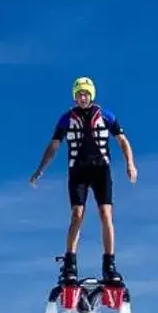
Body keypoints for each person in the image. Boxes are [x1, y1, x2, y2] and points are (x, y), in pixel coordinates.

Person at [29, 75, 138, 285]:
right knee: (77, 214)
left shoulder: (106, 115)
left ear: (92, 94)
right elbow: (53, 146)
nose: (82, 97)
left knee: (106, 214)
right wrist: (40, 170)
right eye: (79, 94)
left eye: (85, 93)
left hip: (100, 170)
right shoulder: (66, 118)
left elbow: (123, 141)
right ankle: (69, 263)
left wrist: (130, 164)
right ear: (74, 96)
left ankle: (109, 265)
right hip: (78, 171)